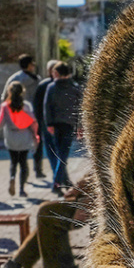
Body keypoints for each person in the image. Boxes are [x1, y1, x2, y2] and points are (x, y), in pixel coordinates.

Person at [0, 174, 93, 268]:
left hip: (96, 201)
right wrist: (77, 189)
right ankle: (14, 265)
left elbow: (102, 176)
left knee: (47, 212)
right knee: (47, 218)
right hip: (88, 197)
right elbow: (94, 172)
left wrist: (82, 197)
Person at [0, 80, 38, 197]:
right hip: (24, 136)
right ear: (22, 92)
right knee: (23, 163)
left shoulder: (5, 107)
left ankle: (12, 177)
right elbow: (33, 123)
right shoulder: (26, 106)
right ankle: (22, 189)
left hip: (11, 137)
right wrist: (36, 136)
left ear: (9, 92)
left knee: (14, 162)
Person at [42, 61, 82, 192]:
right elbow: (80, 109)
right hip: (69, 124)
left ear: (57, 73)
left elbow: (47, 107)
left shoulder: (52, 87)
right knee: (63, 154)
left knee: (61, 154)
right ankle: (60, 182)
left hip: (56, 125)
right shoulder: (75, 88)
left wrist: (49, 124)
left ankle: (57, 182)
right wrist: (79, 126)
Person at [2, 54, 42, 178]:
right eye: (33, 64)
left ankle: (15, 174)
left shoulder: (14, 78)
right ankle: (37, 169)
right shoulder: (37, 79)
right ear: (29, 65)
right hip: (34, 115)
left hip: (18, 117)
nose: (34, 66)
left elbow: (4, 97)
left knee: (17, 151)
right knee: (37, 141)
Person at [32, 59, 60, 180]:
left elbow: (36, 105)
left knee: (52, 150)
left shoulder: (44, 85)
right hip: (59, 122)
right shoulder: (64, 84)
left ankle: (58, 175)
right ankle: (60, 175)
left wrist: (39, 121)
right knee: (59, 150)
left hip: (46, 122)